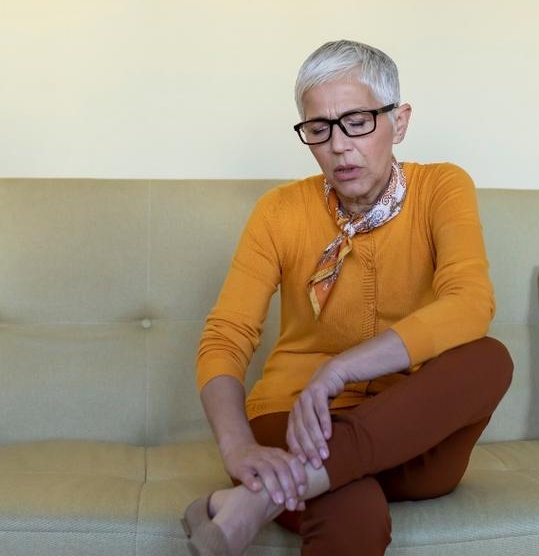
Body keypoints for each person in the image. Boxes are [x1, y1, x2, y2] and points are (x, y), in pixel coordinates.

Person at [182, 40, 513, 556]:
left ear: (398, 123)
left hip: (411, 434)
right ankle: (297, 479)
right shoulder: (279, 212)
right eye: (319, 130)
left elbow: (470, 302)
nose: (338, 146)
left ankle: (255, 502)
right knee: (352, 513)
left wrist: (340, 369)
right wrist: (238, 447)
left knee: (490, 358)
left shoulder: (442, 188)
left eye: (357, 122)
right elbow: (226, 336)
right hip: (294, 421)